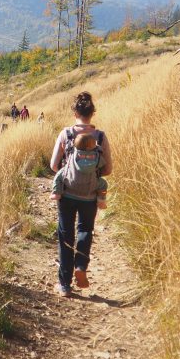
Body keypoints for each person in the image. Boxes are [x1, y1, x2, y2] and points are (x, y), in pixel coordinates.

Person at [48, 91, 112, 297]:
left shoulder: (65, 134)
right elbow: (108, 169)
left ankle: (64, 285)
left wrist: (67, 172)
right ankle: (81, 266)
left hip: (67, 193)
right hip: (90, 195)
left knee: (66, 234)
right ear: (92, 113)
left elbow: (53, 164)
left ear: (74, 111)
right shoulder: (100, 137)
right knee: (85, 229)